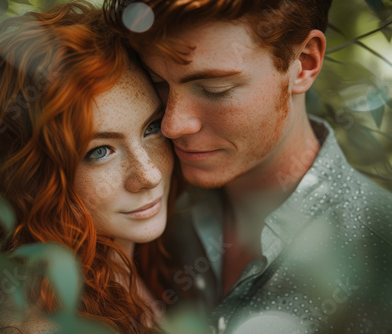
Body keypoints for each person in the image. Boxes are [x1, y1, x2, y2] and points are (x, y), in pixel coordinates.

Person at [104, 0, 392, 333]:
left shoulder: (381, 251)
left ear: (304, 64)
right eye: (158, 83)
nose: (172, 125)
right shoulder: (141, 208)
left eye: (215, 89)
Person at [0, 2, 179, 333]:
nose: (149, 175)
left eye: (152, 128)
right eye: (100, 150)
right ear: (34, 176)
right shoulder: (41, 323)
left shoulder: (135, 261)